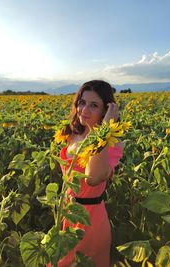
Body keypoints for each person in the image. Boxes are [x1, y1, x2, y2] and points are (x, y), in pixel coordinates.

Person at [47, 80, 124, 267]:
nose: (84, 110)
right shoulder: (73, 134)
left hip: (89, 221)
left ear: (105, 111)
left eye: (94, 105)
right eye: (82, 102)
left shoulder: (112, 144)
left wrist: (105, 131)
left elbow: (92, 177)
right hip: (67, 214)